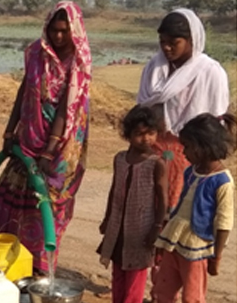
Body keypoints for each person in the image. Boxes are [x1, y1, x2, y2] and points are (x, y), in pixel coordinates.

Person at [0, 1, 91, 276]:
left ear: (74, 30)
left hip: (61, 148)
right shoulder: (35, 53)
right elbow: (24, 91)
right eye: (54, 30)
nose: (58, 37)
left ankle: (41, 267)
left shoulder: (78, 62)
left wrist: (49, 149)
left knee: (47, 205)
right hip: (27, 139)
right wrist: (10, 131)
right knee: (10, 195)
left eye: (65, 31)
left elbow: (68, 108)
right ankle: (3, 257)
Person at [135, 9, 230, 300]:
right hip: (155, 150)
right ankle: (157, 285)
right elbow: (144, 108)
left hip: (189, 154)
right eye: (162, 41)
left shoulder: (210, 72)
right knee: (150, 213)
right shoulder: (156, 67)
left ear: (192, 40)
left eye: (173, 42)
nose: (166, 48)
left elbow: (215, 121)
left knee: (180, 214)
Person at [152, 113, 235, 303]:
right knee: (162, 292)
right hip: (175, 242)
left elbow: (224, 222)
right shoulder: (191, 171)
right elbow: (181, 205)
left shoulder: (222, 181)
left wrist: (216, 257)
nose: (183, 152)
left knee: (192, 297)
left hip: (196, 250)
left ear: (202, 148)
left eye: (187, 147)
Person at [97, 106, 168, 303]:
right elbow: (114, 190)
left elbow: (163, 198)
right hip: (117, 228)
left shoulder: (156, 163)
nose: (146, 139)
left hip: (141, 230)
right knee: (118, 273)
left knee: (135, 280)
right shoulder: (120, 159)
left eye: (151, 134)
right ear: (128, 135)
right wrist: (107, 218)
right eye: (139, 134)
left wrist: (157, 227)